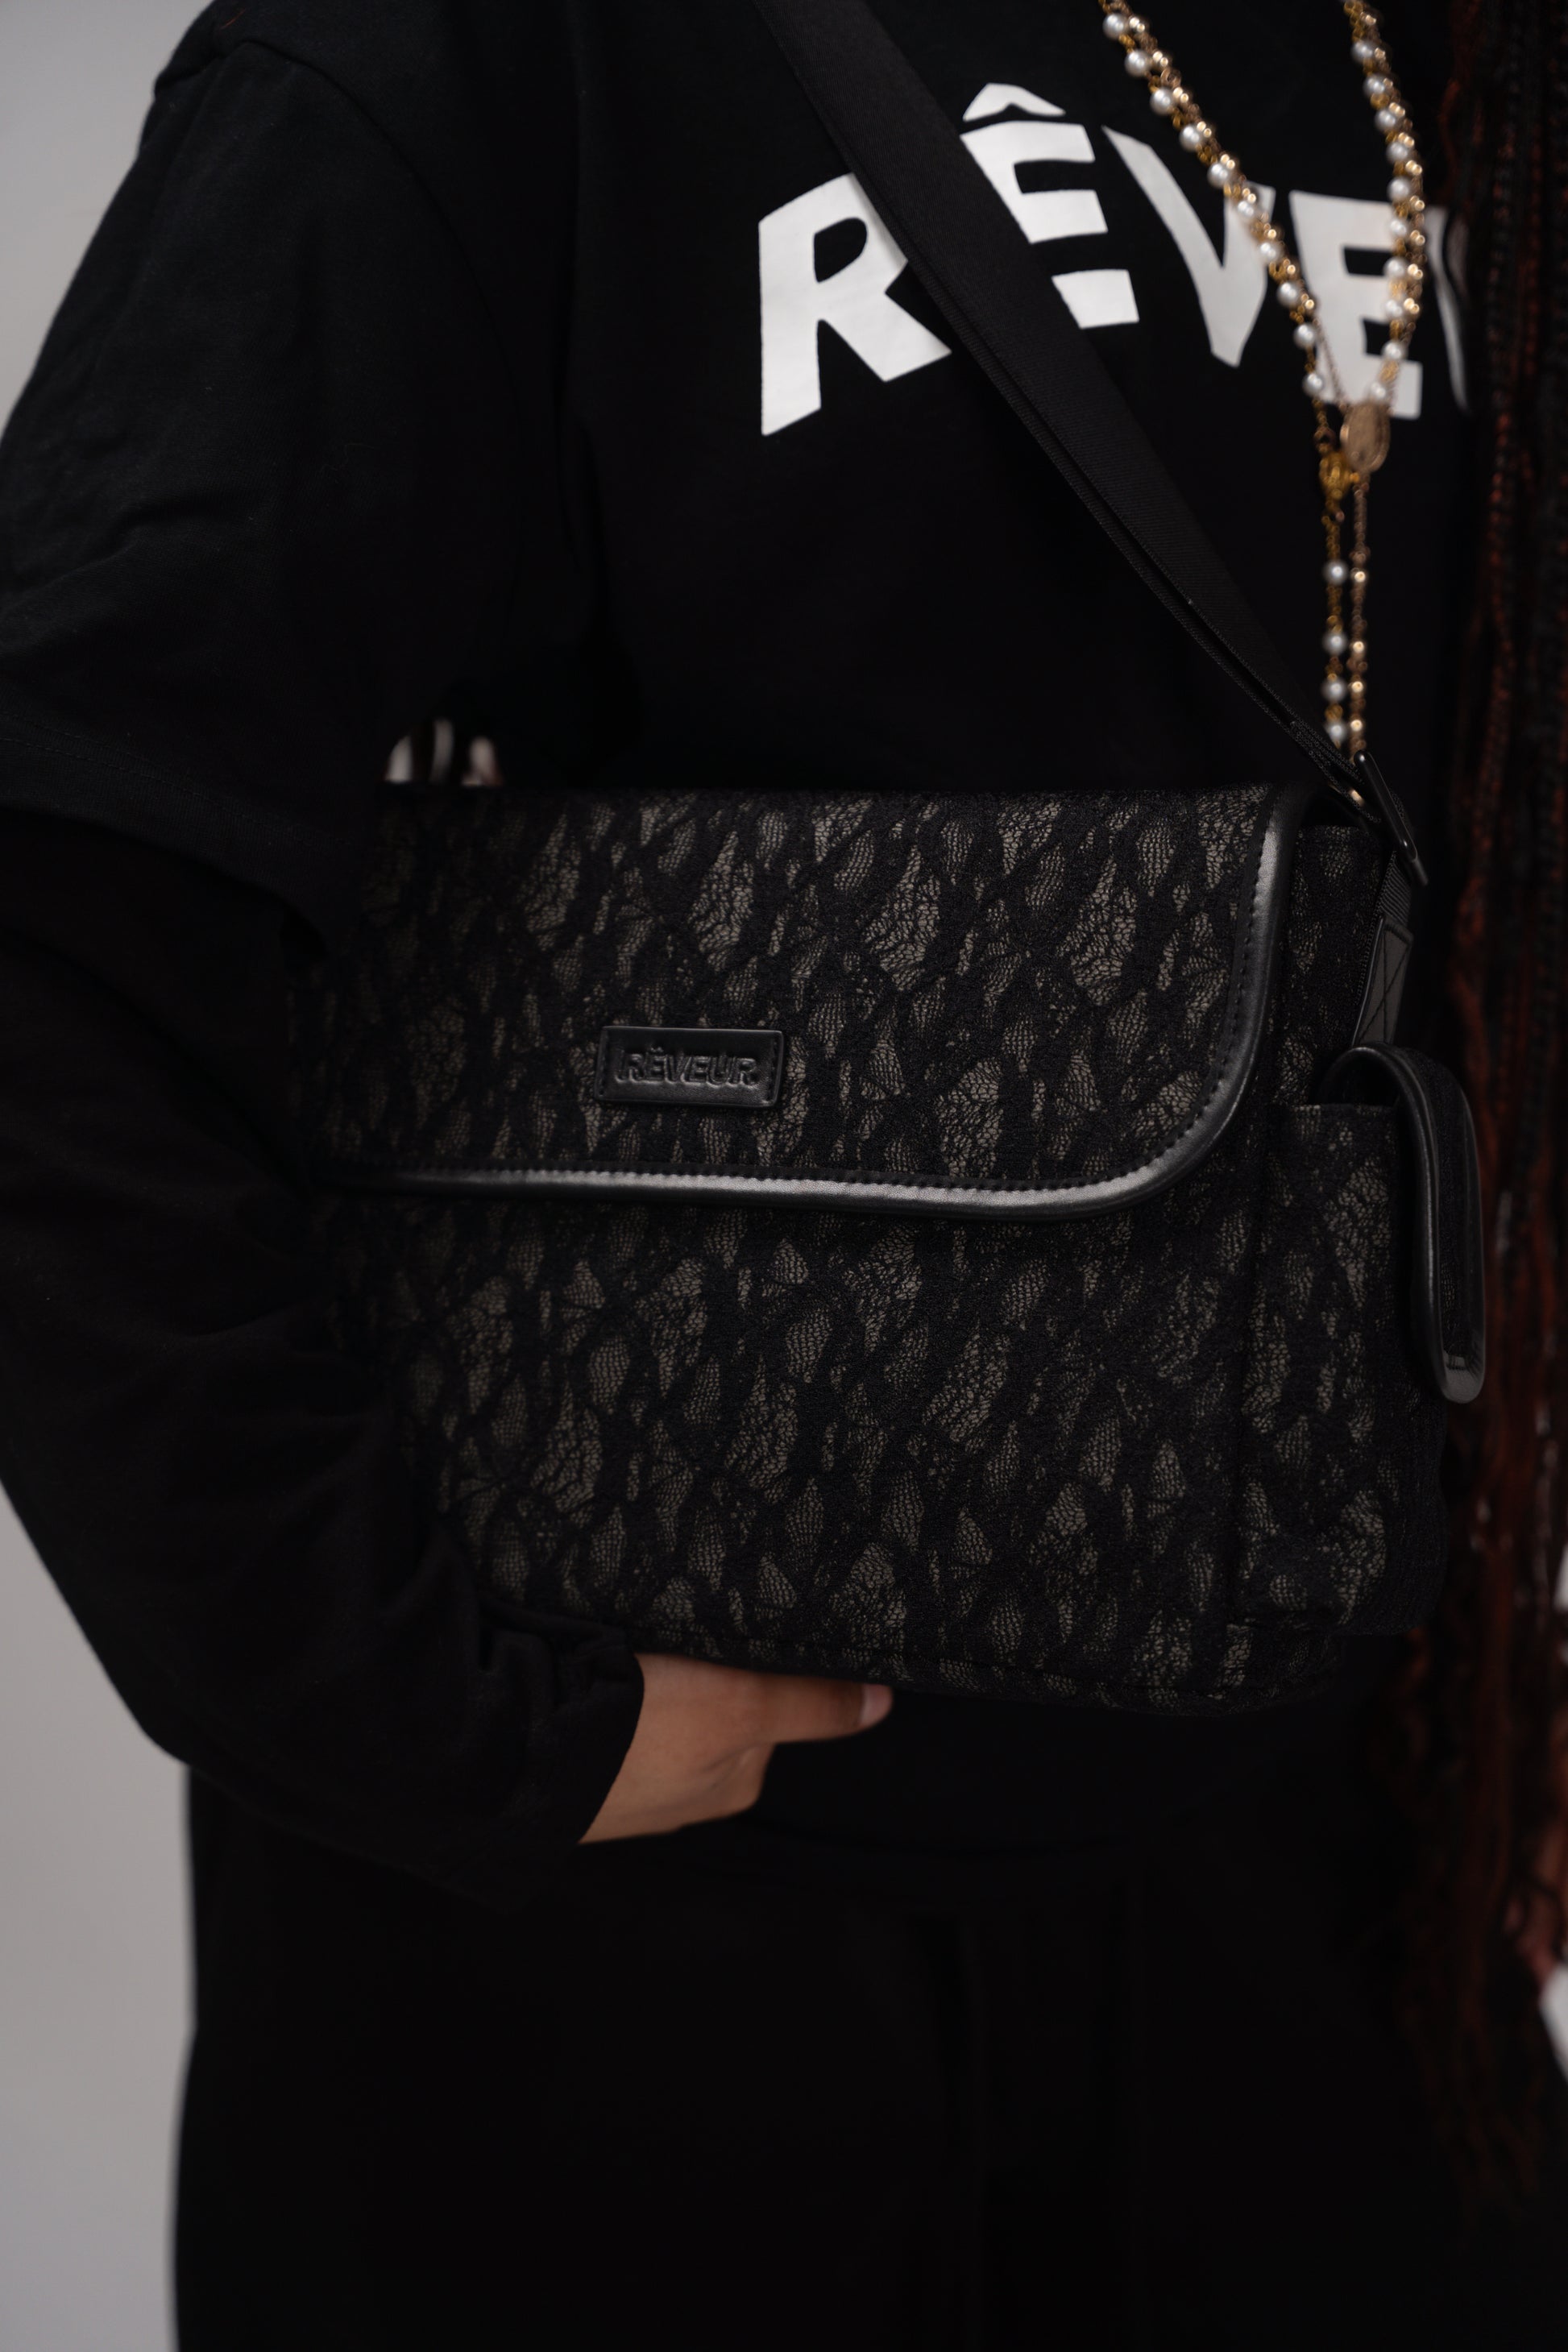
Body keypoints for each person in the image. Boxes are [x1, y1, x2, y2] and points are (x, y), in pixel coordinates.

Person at [1, 2, 1565, 2343]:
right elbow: (59, 875)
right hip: (623, 1937)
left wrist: (1506, 1646)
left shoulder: (1447, 48)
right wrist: (408, 1704)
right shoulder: (477, 52)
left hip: (1325, 1864)